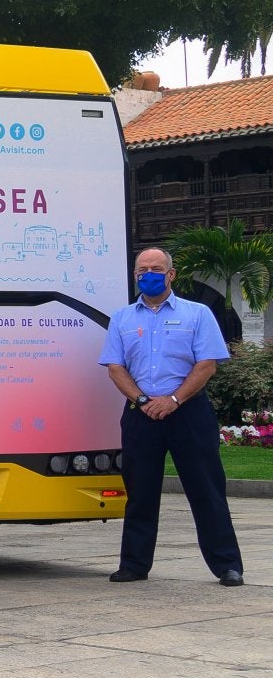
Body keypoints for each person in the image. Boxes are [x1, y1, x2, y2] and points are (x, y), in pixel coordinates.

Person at [100, 247, 244, 586]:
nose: (148, 274)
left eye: (156, 268)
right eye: (142, 269)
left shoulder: (198, 314)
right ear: (135, 275)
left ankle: (227, 565)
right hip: (141, 412)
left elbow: (207, 364)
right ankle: (134, 565)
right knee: (140, 492)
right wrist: (144, 399)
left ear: (171, 274)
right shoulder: (122, 318)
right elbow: (115, 367)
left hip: (188, 412)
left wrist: (174, 400)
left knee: (206, 490)